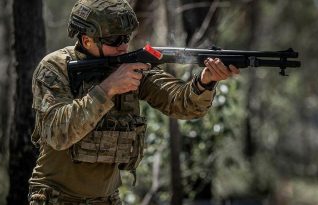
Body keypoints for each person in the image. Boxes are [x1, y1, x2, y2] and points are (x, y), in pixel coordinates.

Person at [28, 0, 240, 204]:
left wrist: (205, 82)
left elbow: (181, 103)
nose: (123, 46)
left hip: (107, 199)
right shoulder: (55, 68)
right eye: (114, 40)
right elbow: (57, 133)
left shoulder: (131, 66)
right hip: (56, 198)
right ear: (87, 41)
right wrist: (108, 88)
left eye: (126, 37)